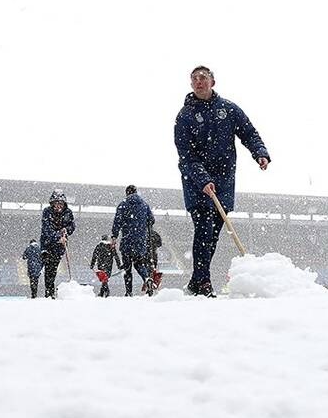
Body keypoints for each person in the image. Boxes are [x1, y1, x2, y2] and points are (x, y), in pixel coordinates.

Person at [174, 65, 270, 297]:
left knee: (214, 233)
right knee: (204, 230)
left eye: (203, 77)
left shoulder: (228, 109)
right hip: (197, 184)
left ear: (212, 82)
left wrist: (259, 152)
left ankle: (196, 281)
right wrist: (203, 179)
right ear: (191, 84)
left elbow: (248, 132)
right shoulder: (185, 116)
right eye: (194, 78)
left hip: (224, 180)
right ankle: (204, 282)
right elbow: (186, 155)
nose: (199, 81)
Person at [111, 185, 156, 296]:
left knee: (127, 268)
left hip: (127, 240)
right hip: (140, 241)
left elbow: (117, 222)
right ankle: (146, 278)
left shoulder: (123, 204)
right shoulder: (144, 205)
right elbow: (151, 220)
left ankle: (129, 292)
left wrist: (114, 236)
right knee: (139, 264)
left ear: (127, 193)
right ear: (136, 192)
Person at [40, 188, 76, 299]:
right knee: (49, 268)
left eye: (60, 203)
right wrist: (57, 236)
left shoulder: (68, 212)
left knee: (53, 268)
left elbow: (72, 226)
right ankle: (49, 292)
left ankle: (51, 291)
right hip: (47, 245)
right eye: (56, 203)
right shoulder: (47, 212)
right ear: (52, 203)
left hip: (60, 246)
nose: (58, 206)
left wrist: (66, 230)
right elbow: (46, 229)